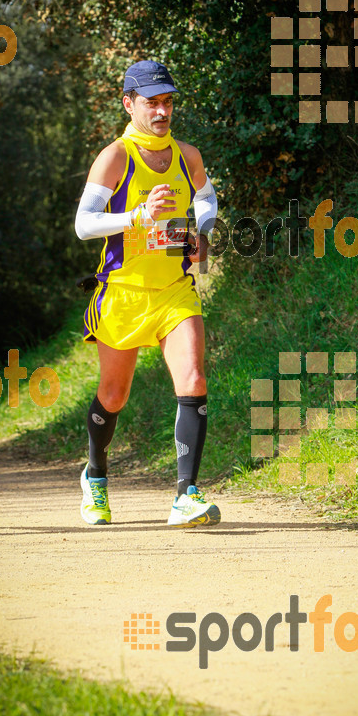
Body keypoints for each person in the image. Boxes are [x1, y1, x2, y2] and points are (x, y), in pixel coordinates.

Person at [74, 60, 220, 528]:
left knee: (193, 380)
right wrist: (135, 216)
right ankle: (95, 477)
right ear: (128, 103)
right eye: (151, 102)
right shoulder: (115, 157)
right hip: (123, 293)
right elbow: (84, 225)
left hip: (174, 291)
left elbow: (206, 197)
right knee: (113, 395)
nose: (161, 111)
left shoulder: (187, 155)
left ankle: (185, 496)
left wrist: (204, 231)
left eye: (168, 101)